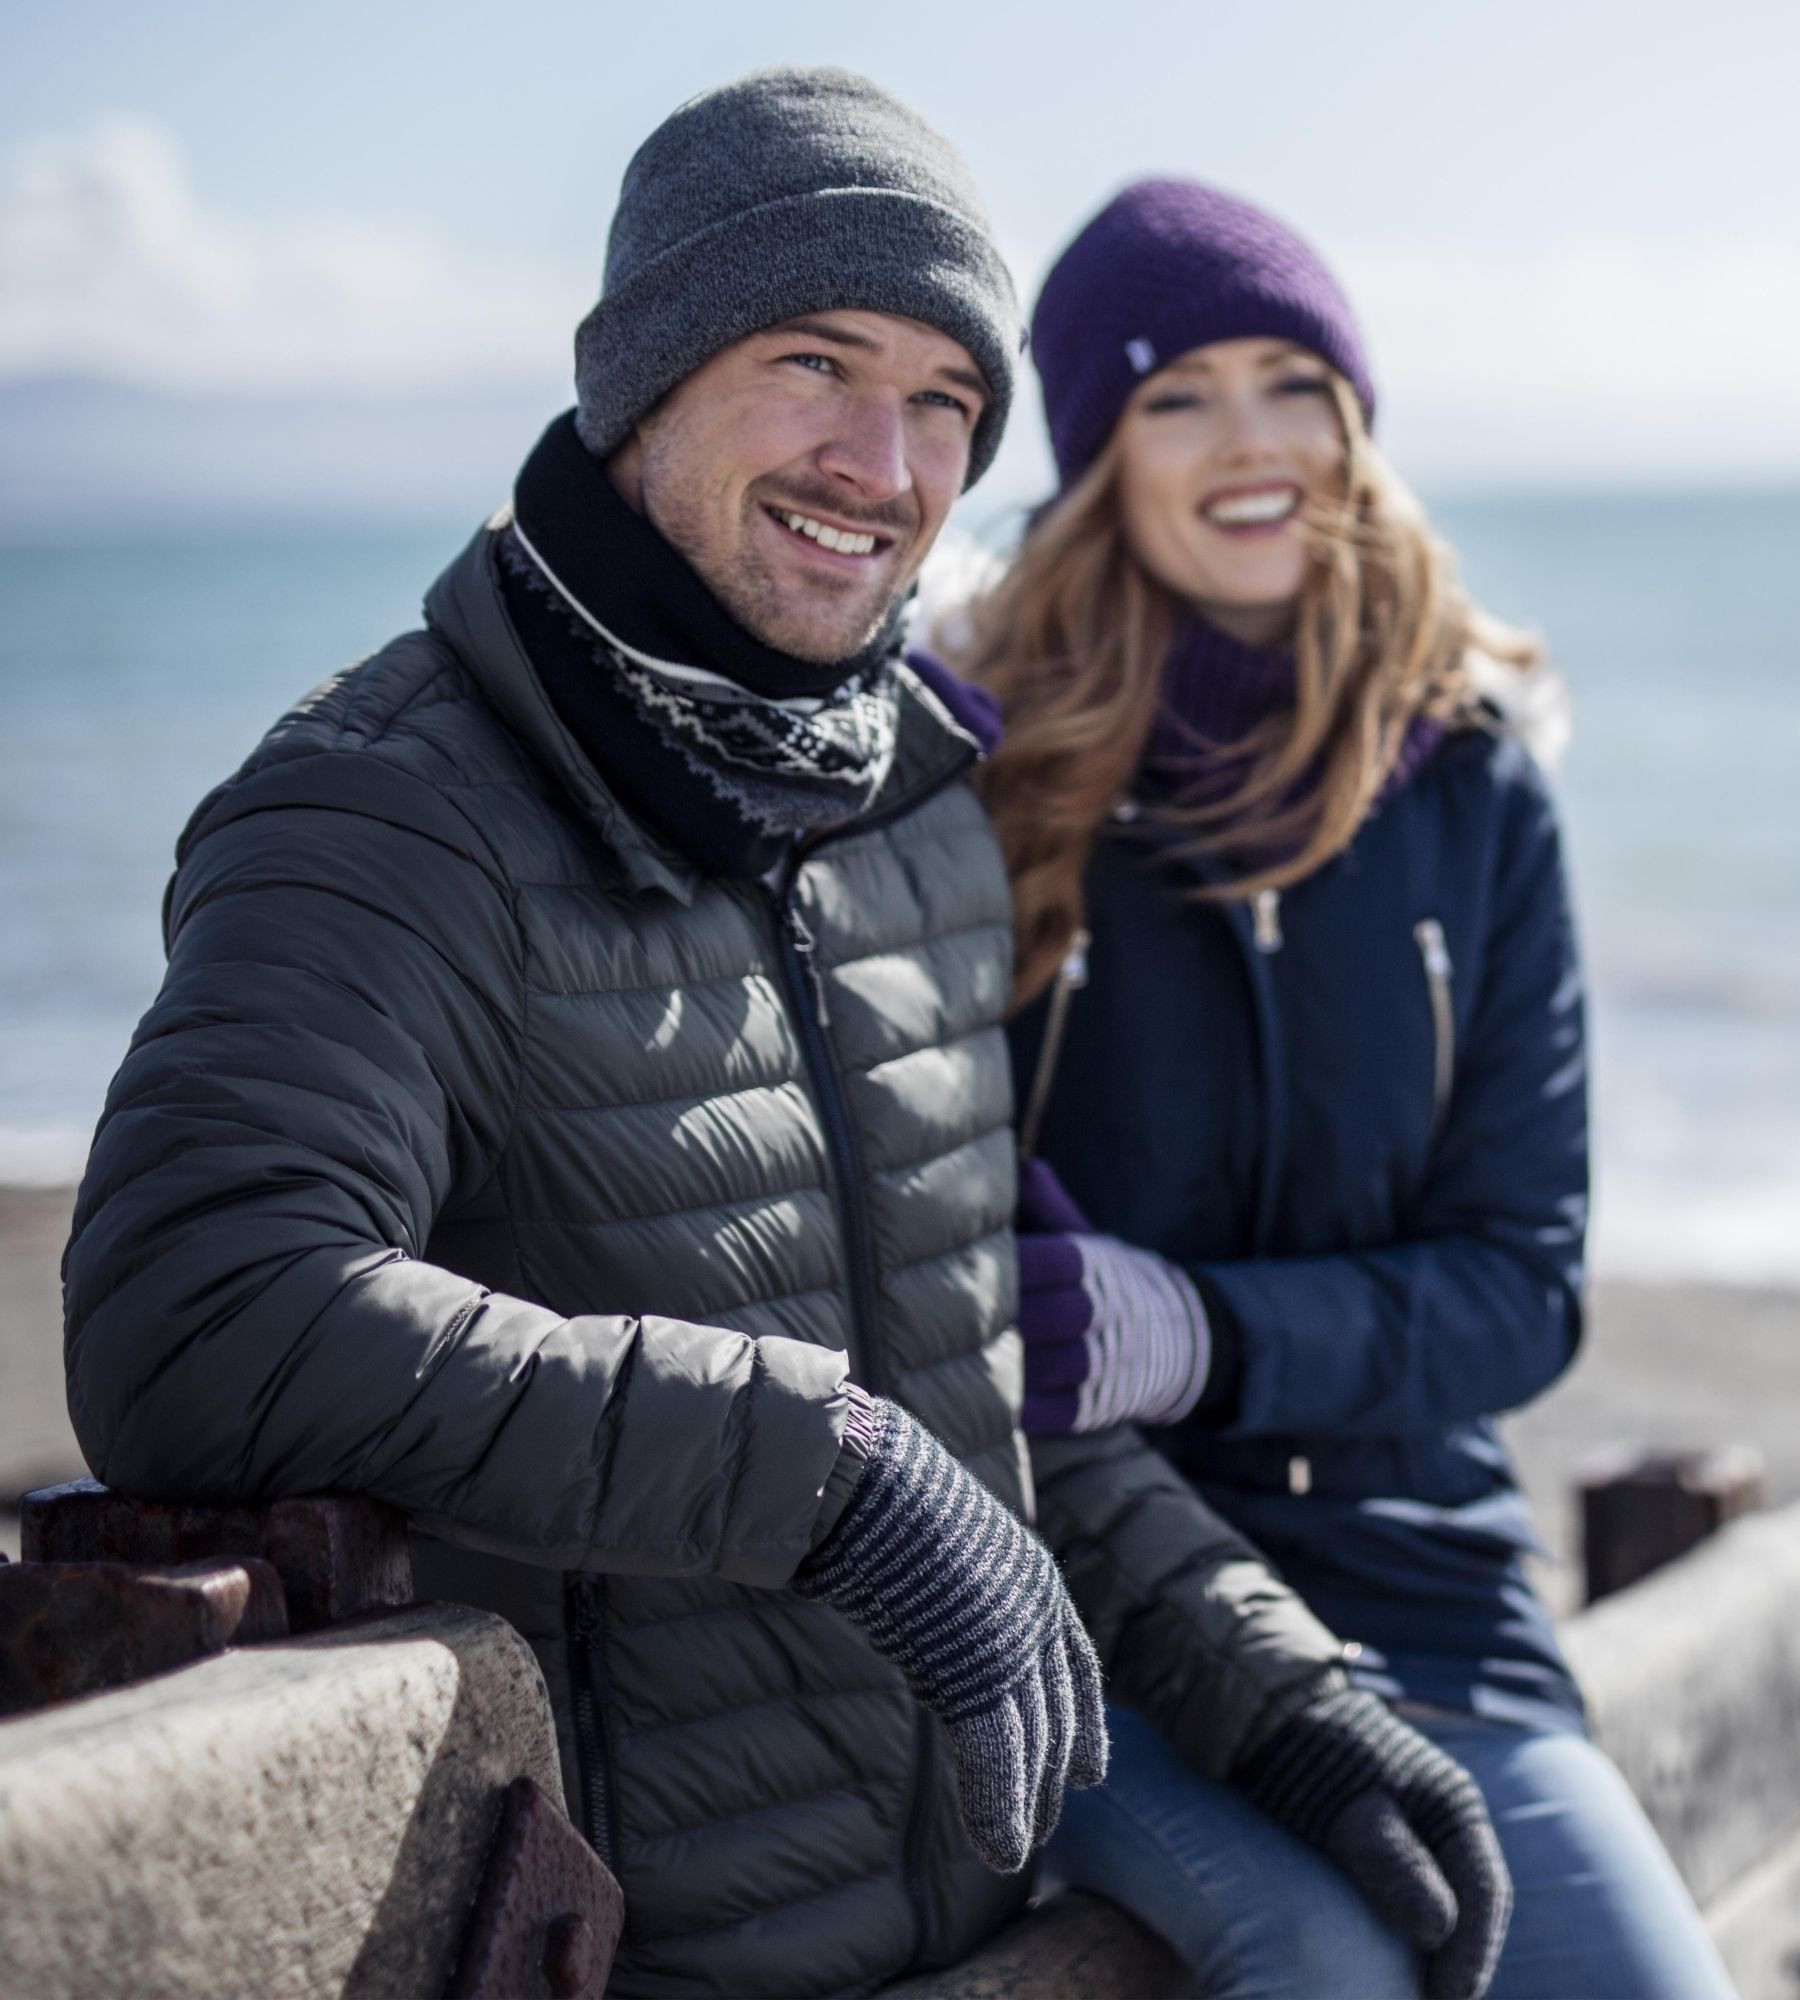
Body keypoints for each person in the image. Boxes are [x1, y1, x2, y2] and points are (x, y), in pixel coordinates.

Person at [61, 78, 1505, 2000]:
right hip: (610, 1944)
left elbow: (984, 1397)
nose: (881, 463)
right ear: (643, 378)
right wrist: (818, 1470)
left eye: (945, 400)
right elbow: (194, 1313)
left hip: (982, 1923)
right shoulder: (392, 807)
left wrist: (1283, 1698)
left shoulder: (920, 817)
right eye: (813, 361)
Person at [954, 178, 1741, 1999]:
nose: (1252, 444)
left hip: (1425, 1591)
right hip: (1106, 1619)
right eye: (1176, 397)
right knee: (1324, 1957)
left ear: (1354, 421)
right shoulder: (982, 785)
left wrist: (1199, 1334)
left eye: (1291, 385)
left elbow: (1521, 1290)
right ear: (1096, 457)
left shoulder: (1474, 791)